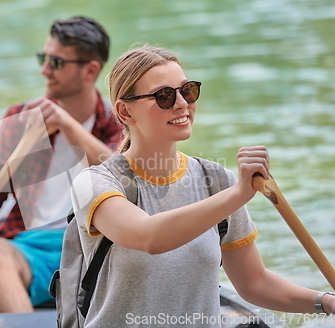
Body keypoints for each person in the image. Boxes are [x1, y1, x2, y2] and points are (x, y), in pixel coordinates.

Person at [70, 45, 335, 327]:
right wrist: (238, 195)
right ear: (126, 112)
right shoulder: (95, 182)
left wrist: (326, 302)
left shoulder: (217, 181)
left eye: (188, 90)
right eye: (164, 96)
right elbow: (149, 237)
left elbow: (254, 282)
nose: (182, 103)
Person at [0, 16, 122, 313]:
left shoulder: (118, 121)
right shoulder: (22, 119)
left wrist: (65, 124)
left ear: (90, 71)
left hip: (95, 246)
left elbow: (120, 174)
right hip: (31, 246)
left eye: (57, 62)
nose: (45, 70)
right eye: (43, 58)